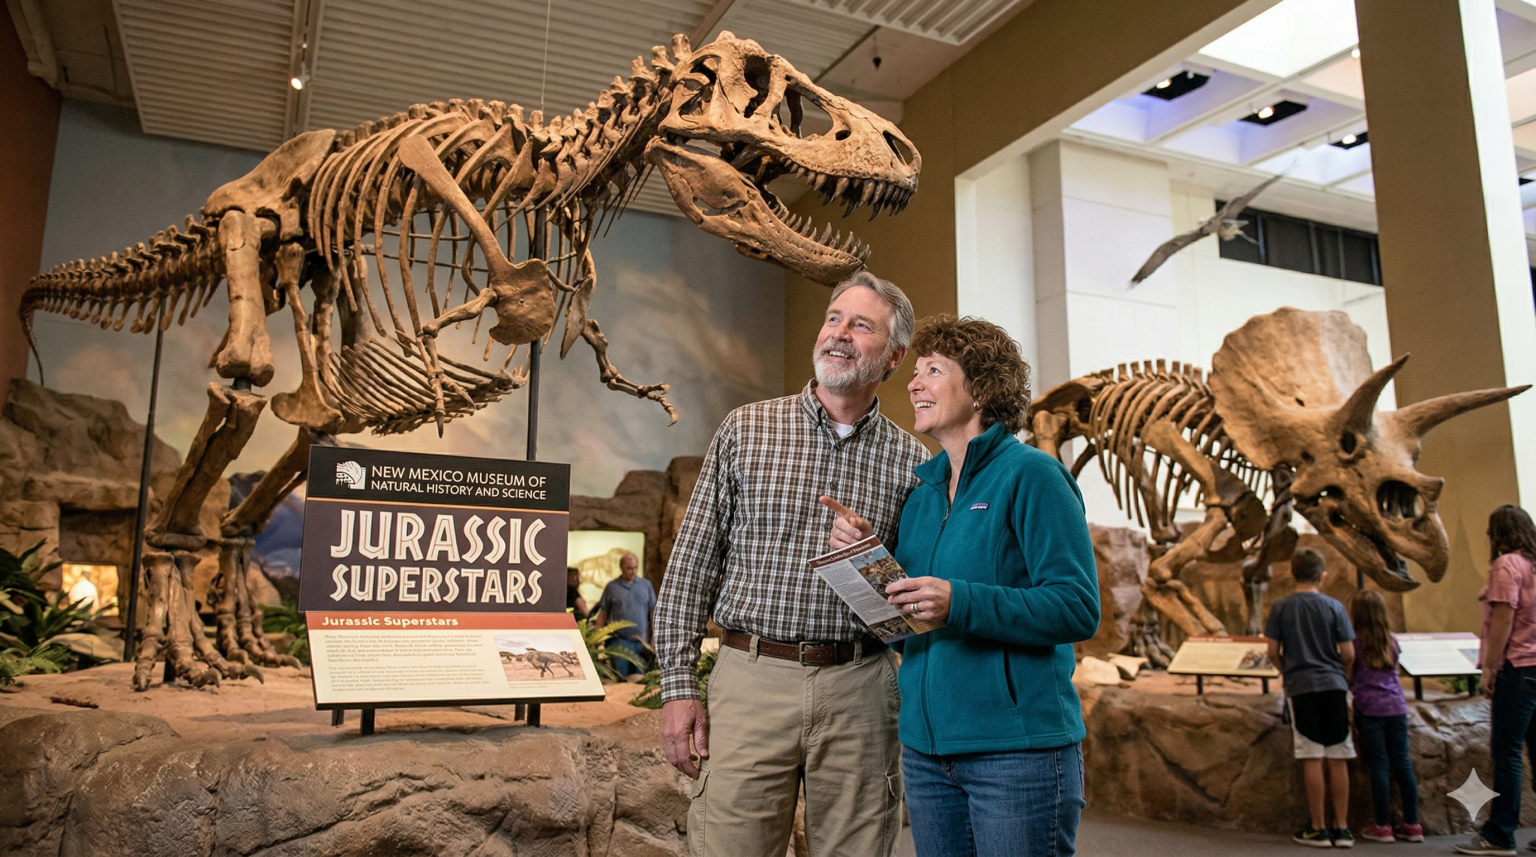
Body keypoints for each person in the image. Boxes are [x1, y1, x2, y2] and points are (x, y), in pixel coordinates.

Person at [654, 271, 928, 857]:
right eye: (834, 319)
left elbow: (909, 611)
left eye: (861, 326)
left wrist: (871, 559)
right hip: (752, 678)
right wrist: (678, 689)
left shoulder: (914, 461)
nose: (839, 334)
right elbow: (688, 573)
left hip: (862, 688)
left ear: (894, 356)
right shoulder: (746, 429)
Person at [825, 314, 1100, 857]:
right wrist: (866, 560)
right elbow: (910, 625)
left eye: (934, 370)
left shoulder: (1034, 476)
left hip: (1016, 754)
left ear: (983, 390)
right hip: (927, 755)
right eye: (916, 372)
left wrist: (960, 601)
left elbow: (1076, 607)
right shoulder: (922, 496)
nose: (914, 382)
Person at [1455, 505, 1536, 857]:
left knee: (1506, 752)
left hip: (1517, 668)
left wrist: (1490, 668)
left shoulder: (1507, 565)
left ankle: (1500, 834)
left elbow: (1503, 619)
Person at [1264, 548, 1356, 849]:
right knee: (1339, 753)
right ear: (1323, 576)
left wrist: (1288, 671)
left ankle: (1318, 827)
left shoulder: (1280, 608)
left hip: (1301, 686)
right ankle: (1341, 828)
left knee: (1312, 754)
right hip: (1333, 686)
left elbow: (1272, 652)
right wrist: (1339, 673)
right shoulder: (1335, 607)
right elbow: (1349, 653)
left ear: (1291, 573)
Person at [1348, 589, 1422, 844]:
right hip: (1396, 708)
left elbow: (1350, 673)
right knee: (1402, 763)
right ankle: (1412, 824)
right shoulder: (1391, 642)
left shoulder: (1356, 643)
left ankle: (1382, 825)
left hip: (1370, 710)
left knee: (1379, 763)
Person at [595, 552, 655, 681]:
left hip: (641, 643)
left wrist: (654, 639)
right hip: (619, 642)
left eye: (635, 568)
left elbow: (652, 613)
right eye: (629, 568)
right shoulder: (612, 587)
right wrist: (598, 641)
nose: (633, 572)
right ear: (621, 567)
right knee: (620, 679)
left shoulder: (646, 586)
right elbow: (603, 614)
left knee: (641, 681)